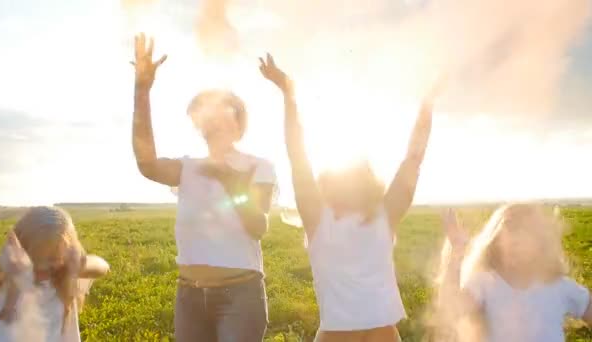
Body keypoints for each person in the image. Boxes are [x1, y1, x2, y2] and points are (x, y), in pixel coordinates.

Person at [259, 53, 439, 342]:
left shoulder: (321, 218)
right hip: (373, 334)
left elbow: (297, 155)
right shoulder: (380, 215)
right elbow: (413, 159)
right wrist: (428, 103)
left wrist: (289, 94)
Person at [130, 33, 277, 341]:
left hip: (239, 297)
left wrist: (229, 181)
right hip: (190, 297)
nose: (214, 120)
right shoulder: (187, 168)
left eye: (224, 113)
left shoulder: (257, 166)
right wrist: (142, 89)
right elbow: (146, 163)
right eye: (207, 115)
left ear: (239, 125)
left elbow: (258, 225)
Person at [435, 204, 592, 342]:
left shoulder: (558, 286)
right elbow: (451, 309)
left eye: (524, 237)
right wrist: (456, 252)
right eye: (509, 238)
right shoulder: (485, 283)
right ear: (496, 243)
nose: (516, 244)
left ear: (540, 243)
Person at [0, 206, 110, 342]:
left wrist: (80, 263)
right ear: (18, 251)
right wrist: (3, 262)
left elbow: (103, 266)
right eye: (34, 262)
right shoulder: (3, 282)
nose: (43, 271)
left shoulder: (65, 277)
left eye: (52, 261)